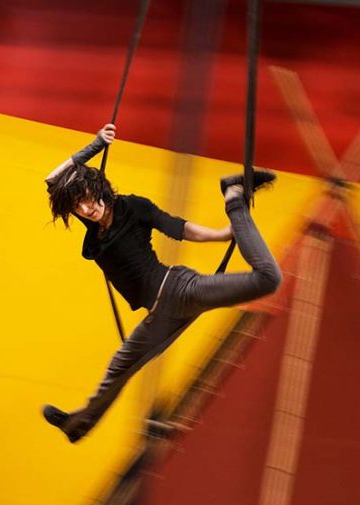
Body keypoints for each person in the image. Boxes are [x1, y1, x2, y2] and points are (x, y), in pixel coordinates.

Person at [42, 123, 281, 443]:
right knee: (120, 366)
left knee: (267, 278)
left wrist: (224, 233)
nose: (88, 208)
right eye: (79, 206)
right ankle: (77, 425)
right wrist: (93, 146)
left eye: (88, 198)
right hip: (162, 311)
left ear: (98, 188)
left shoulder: (132, 208)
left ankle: (234, 195)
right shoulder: (94, 235)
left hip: (178, 289)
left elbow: (179, 228)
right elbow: (52, 181)